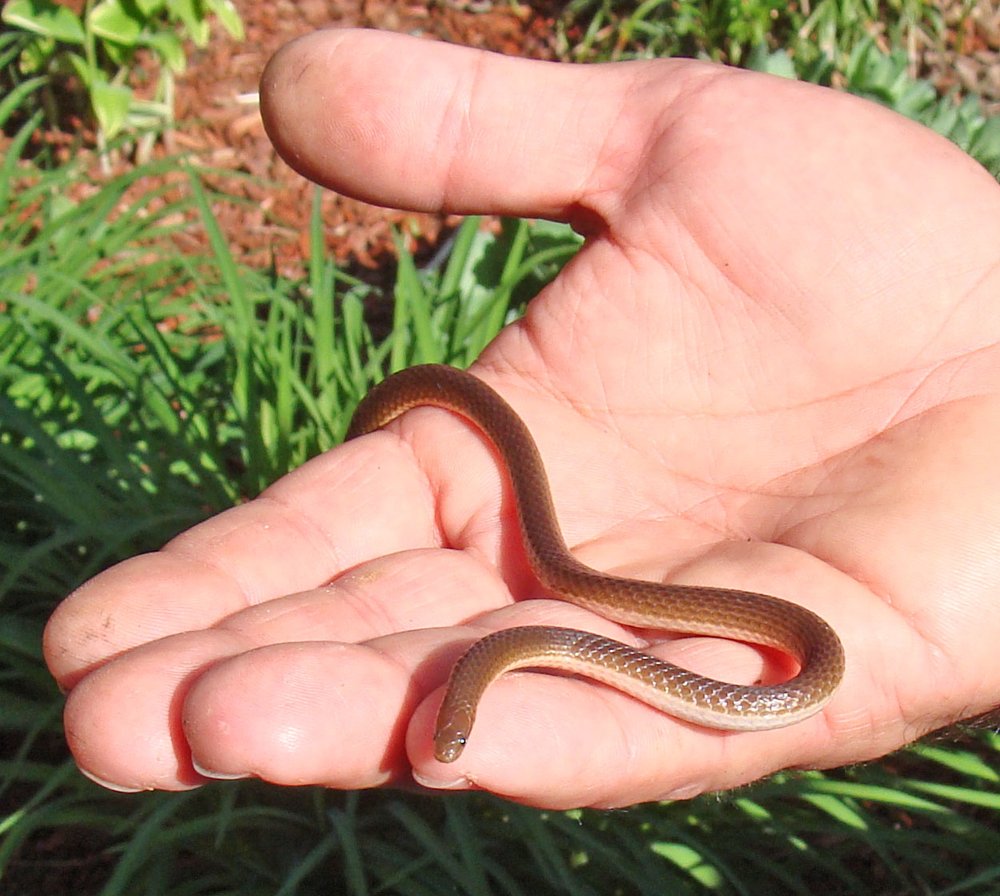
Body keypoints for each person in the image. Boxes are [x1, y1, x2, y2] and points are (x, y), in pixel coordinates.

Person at [43, 29, 1000, 810]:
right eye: (455, 733)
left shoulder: (785, 649)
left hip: (750, 639)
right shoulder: (519, 646)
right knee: (545, 558)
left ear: (474, 695)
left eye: (458, 730)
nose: (450, 747)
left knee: (555, 565)